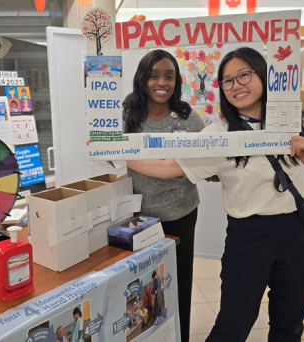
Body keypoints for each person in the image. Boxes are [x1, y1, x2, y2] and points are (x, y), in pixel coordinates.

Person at [127, 47, 304, 341]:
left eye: (244, 75)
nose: (237, 85)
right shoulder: (218, 134)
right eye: (228, 81)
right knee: (232, 327)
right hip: (249, 237)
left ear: (262, 75)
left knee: (289, 327)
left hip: (301, 233)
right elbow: (165, 168)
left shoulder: (295, 121)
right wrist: (112, 152)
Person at [123, 49, 205, 342]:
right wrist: (102, 146)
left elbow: (202, 163)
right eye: (155, 75)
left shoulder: (188, 119)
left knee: (179, 281)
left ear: (177, 81)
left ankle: (179, 335)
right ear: (143, 79)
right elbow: (110, 152)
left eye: (169, 76)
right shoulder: (129, 114)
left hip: (180, 214)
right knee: (144, 286)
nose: (162, 82)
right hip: (138, 218)